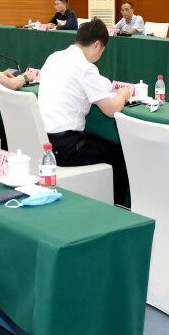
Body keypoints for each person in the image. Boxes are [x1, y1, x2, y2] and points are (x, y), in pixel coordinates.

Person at [37, 19, 131, 205]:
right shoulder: (85, 67)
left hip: (44, 141)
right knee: (121, 155)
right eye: (102, 50)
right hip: (65, 147)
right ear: (97, 45)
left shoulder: (54, 57)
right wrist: (122, 95)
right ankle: (117, 209)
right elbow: (111, 109)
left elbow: (98, 84)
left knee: (100, 144)